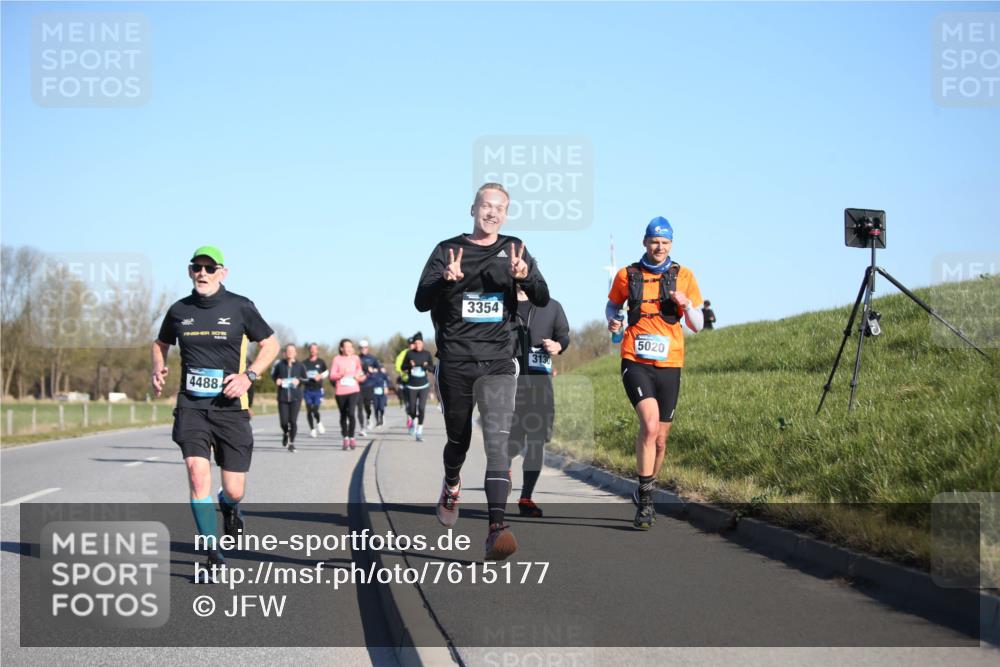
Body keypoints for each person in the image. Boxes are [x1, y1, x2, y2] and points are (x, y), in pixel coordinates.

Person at [415, 182, 549, 560]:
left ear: (505, 214)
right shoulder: (447, 250)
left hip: (499, 361)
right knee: (458, 439)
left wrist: (524, 276)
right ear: (473, 208)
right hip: (456, 360)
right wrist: (444, 281)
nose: (492, 213)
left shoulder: (515, 249)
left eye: (500, 208)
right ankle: (452, 482)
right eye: (486, 206)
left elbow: (541, 295)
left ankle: (496, 526)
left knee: (497, 442)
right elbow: (420, 302)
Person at [151, 245, 278, 579]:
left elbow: (271, 344)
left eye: (209, 268)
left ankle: (230, 506)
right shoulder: (179, 310)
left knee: (235, 488)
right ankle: (212, 554)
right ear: (189, 271)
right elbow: (160, 343)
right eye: (197, 268)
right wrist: (158, 368)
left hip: (230, 409)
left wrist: (249, 376)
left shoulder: (240, 306)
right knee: (196, 475)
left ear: (223, 272)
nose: (202, 273)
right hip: (192, 406)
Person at [606, 217, 704, 530]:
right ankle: (647, 504)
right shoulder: (627, 274)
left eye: (664, 242)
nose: (659, 247)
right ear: (645, 242)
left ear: (671, 244)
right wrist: (614, 321)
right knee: (648, 426)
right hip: (635, 358)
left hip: (671, 362)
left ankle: (644, 488)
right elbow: (612, 306)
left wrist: (687, 305)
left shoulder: (684, 275)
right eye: (654, 241)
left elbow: (698, 324)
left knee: (661, 440)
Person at [507, 286, 570, 518]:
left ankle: (526, 498)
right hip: (508, 385)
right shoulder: (501, 305)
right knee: (511, 441)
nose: (522, 280)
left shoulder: (552, 306)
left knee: (536, 442)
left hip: (540, 387)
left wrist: (558, 345)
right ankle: (504, 472)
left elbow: (564, 335)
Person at [330, 338, 366, 450]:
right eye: (347, 346)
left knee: (351, 413)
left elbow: (361, 373)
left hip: (354, 390)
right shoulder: (337, 359)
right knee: (343, 415)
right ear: (341, 348)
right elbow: (332, 375)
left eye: (351, 346)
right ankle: (345, 437)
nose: (349, 349)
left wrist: (359, 378)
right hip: (341, 391)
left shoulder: (356, 358)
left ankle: (352, 437)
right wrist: (341, 374)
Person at [272, 343, 307, 453]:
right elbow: (274, 376)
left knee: (293, 421)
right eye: (288, 350)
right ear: (285, 353)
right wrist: (276, 380)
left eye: (292, 350)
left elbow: (305, 379)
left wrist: (299, 381)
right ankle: (285, 433)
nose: (290, 352)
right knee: (283, 422)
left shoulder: (300, 365)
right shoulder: (279, 365)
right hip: (282, 397)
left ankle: (291, 443)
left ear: (295, 353)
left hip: (296, 397)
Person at [400, 331, 434, 441]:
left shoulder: (427, 354)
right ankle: (413, 421)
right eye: (416, 343)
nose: (418, 345)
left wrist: (426, 367)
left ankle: (419, 431)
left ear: (422, 343)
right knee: (412, 409)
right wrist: (409, 366)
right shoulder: (409, 354)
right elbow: (402, 367)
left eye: (420, 343)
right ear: (414, 344)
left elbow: (432, 368)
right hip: (411, 386)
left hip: (423, 385)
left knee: (422, 408)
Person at [302, 343, 329, 437]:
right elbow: (301, 376)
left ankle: (318, 422)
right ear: (309, 350)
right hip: (307, 389)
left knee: (315, 409)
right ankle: (312, 429)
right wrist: (305, 378)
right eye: (311, 349)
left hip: (318, 390)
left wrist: (320, 376)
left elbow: (326, 373)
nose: (313, 350)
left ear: (317, 350)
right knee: (309, 409)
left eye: (315, 349)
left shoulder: (321, 362)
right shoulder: (304, 363)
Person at [357, 340, 383, 435]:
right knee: (359, 406)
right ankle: (362, 428)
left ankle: (369, 418)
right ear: (359, 349)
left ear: (367, 348)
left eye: (365, 347)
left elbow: (379, 368)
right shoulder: (357, 358)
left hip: (369, 384)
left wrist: (373, 370)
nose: (363, 349)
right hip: (359, 385)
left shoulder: (372, 358)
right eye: (361, 348)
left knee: (367, 405)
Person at [395, 337, 416, 426]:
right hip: (406, 380)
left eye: (413, 344)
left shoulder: (419, 353)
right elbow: (397, 366)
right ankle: (410, 418)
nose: (411, 346)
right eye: (410, 344)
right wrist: (404, 371)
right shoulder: (403, 353)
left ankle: (415, 419)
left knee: (416, 403)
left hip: (417, 380)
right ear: (408, 344)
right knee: (408, 402)